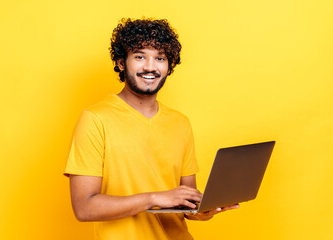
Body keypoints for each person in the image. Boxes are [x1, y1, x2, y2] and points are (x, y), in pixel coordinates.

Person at [64, 18, 239, 240]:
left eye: (160, 58)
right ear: (120, 62)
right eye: (139, 56)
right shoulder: (95, 119)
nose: (150, 67)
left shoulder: (180, 123)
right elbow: (84, 207)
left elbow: (184, 204)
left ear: (169, 65)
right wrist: (155, 198)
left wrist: (204, 211)